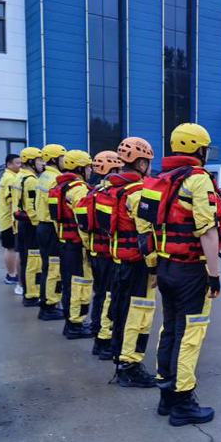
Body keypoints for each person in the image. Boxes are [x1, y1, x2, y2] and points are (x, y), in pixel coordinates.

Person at [139, 123, 221, 427]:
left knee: (171, 329)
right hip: (191, 270)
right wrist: (213, 275)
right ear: (197, 149)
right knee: (191, 333)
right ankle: (183, 402)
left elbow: (145, 228)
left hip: (165, 267)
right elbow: (208, 230)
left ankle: (166, 396)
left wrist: (153, 265)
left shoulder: (154, 181)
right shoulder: (199, 181)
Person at [103, 138, 157, 387]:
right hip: (137, 265)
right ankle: (129, 366)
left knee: (121, 313)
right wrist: (154, 266)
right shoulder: (137, 193)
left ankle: (120, 358)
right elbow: (146, 234)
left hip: (117, 261)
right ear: (142, 163)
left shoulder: (110, 188)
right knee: (139, 315)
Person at [49, 150, 95, 339]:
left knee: (69, 285)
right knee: (80, 285)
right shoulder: (78, 190)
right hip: (77, 246)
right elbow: (83, 223)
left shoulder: (59, 186)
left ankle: (71, 322)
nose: (91, 170)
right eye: (88, 167)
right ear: (80, 168)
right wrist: (90, 246)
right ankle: (76, 324)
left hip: (64, 242)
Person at [84, 151, 123, 359]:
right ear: (112, 169)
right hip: (109, 254)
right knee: (109, 296)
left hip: (93, 252)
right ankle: (104, 340)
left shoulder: (92, 192)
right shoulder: (111, 194)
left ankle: (97, 329)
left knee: (99, 293)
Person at [35, 143, 67, 321]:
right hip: (51, 228)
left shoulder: (44, 176)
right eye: (63, 158)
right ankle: (49, 305)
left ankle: (47, 302)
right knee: (54, 268)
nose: (66, 161)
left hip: (43, 226)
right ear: (55, 159)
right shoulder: (55, 179)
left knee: (48, 267)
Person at [12, 147, 44, 307]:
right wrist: (38, 224)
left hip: (22, 223)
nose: (42, 163)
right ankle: (32, 294)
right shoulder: (31, 180)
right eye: (39, 160)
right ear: (31, 161)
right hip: (30, 224)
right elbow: (32, 206)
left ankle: (28, 291)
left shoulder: (20, 177)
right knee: (33, 261)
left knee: (26, 260)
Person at [0, 154, 21, 286]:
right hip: (9, 220)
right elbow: (12, 199)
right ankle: (12, 274)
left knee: (10, 247)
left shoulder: (8, 177)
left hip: (6, 218)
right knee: (11, 248)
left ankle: (11, 273)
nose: (20, 165)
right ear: (9, 164)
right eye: (17, 163)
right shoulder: (10, 179)